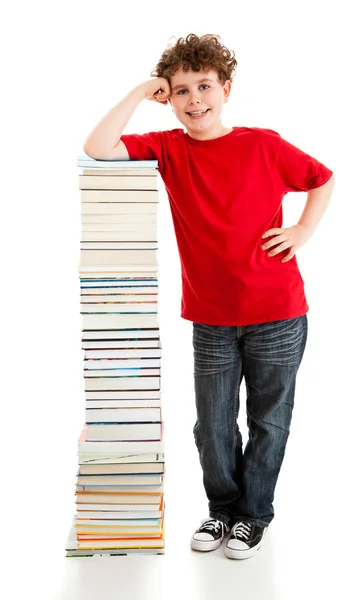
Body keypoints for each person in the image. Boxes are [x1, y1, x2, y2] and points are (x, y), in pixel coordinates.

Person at [83, 32, 335, 560]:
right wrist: (140, 89)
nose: (194, 99)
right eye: (179, 91)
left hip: (278, 312)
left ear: (225, 89)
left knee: (270, 420)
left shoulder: (263, 143)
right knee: (213, 424)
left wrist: (304, 230)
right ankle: (222, 511)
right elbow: (98, 147)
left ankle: (252, 516)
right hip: (212, 318)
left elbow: (321, 178)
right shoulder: (168, 148)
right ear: (167, 98)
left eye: (204, 86)